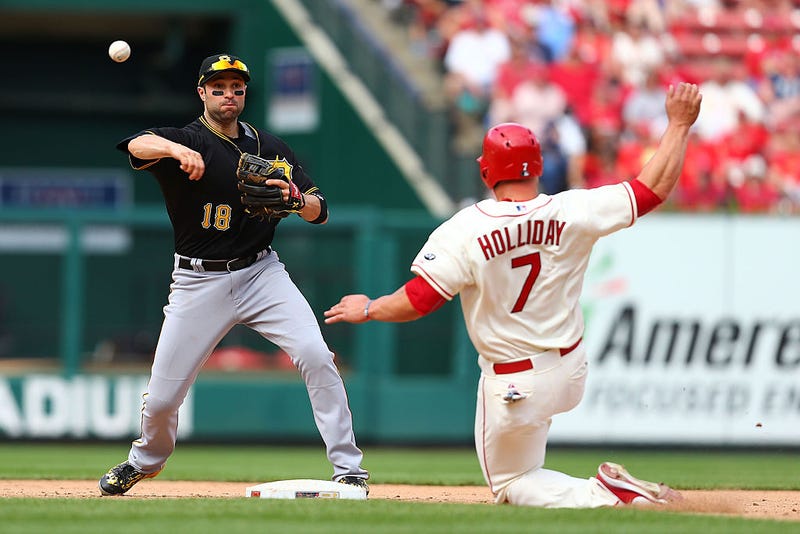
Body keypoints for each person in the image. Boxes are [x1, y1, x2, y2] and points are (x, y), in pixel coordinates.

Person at [324, 82, 702, 508]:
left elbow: (421, 299)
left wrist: (370, 308)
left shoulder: (466, 228)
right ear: (538, 166)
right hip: (571, 369)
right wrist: (679, 124)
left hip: (515, 382)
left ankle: (607, 494)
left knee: (511, 483)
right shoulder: (573, 210)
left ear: (486, 170)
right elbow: (652, 189)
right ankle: (609, 492)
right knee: (526, 462)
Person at [99, 54, 369, 496]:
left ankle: (349, 467)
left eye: (237, 87)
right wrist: (174, 149)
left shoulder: (273, 148)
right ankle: (143, 461)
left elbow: (321, 211)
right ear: (202, 93)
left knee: (316, 355)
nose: (229, 94)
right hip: (197, 281)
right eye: (219, 87)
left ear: (245, 94)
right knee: (164, 398)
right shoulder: (186, 139)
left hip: (262, 273)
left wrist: (297, 199)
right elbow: (135, 144)